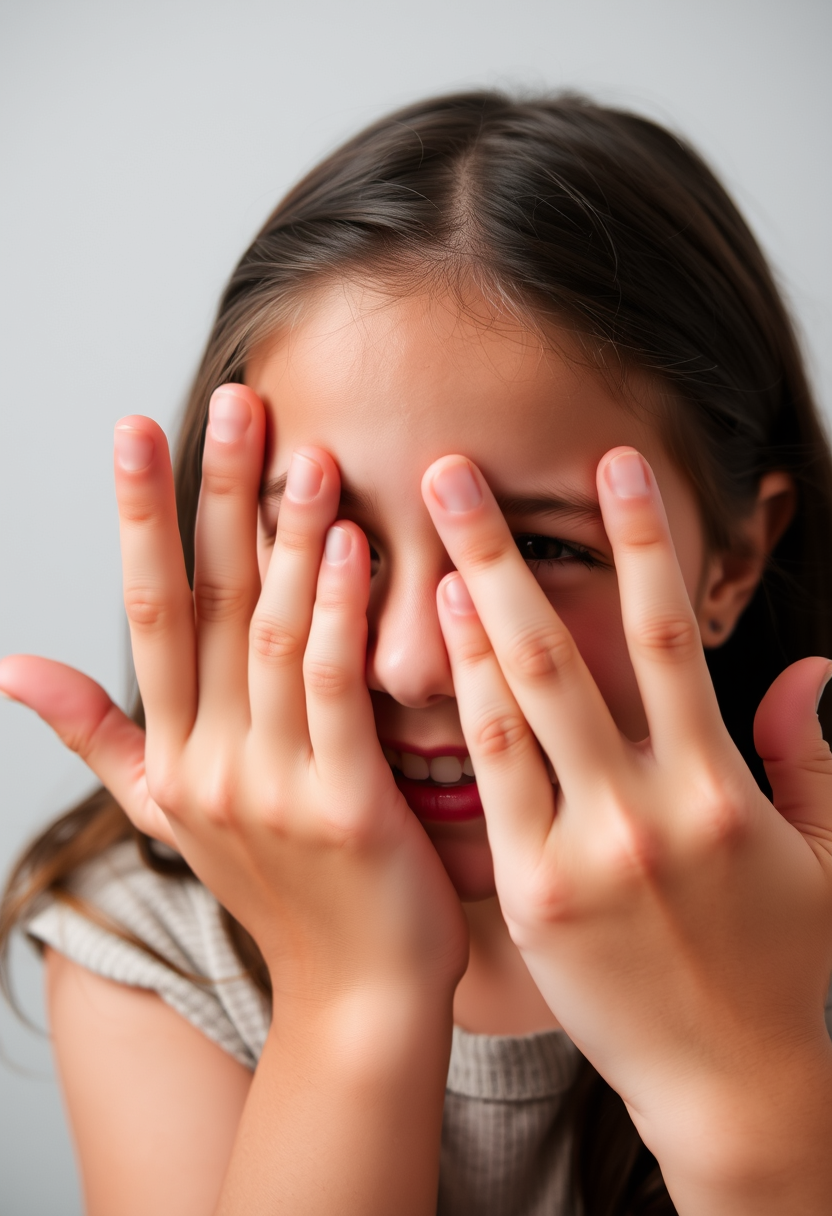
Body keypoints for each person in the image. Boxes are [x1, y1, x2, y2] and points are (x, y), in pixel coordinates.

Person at [2, 91, 832, 1216]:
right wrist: (356, 998)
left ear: (734, 560)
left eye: (535, 546)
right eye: (328, 539)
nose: (405, 664)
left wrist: (748, 1096)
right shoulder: (148, 938)